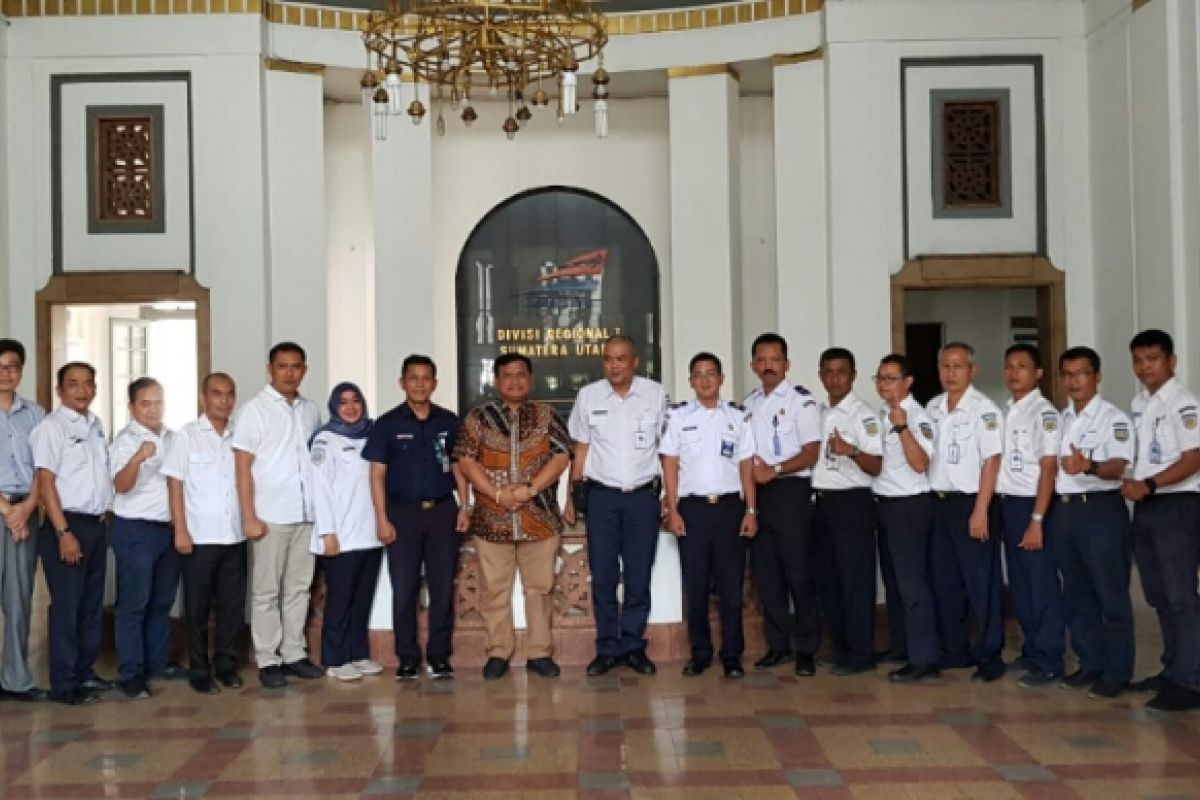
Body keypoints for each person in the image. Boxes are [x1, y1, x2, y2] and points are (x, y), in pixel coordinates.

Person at [453, 353, 571, 680]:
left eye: (521, 375)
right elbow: (465, 460)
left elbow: (561, 457)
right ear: (497, 380)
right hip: (491, 520)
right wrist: (498, 494)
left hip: (540, 519)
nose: (515, 381)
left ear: (530, 380)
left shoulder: (547, 415)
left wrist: (530, 490)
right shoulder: (478, 418)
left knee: (540, 589)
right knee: (494, 590)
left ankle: (539, 653)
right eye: (507, 375)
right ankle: (498, 652)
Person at [565, 334, 666, 677]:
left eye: (621, 358)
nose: (615, 365)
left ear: (635, 361)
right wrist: (571, 494)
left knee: (639, 575)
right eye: (608, 359)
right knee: (604, 576)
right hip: (602, 498)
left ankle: (633, 646)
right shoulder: (588, 396)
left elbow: (667, 450)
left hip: (642, 497)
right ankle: (607, 647)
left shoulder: (655, 395)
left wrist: (670, 496)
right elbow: (580, 447)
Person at [366, 356, 468, 681]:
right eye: (414, 378)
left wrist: (464, 506)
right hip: (402, 515)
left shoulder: (448, 422)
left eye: (426, 378)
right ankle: (407, 657)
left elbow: (458, 466)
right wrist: (381, 519)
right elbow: (377, 474)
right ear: (402, 383)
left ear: (435, 383)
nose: (420, 384)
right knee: (405, 587)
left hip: (442, 512)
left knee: (441, 588)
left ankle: (439, 656)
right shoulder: (387, 424)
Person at [660, 352, 757, 679]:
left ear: (721, 379)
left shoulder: (738, 417)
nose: (705, 380)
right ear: (691, 382)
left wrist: (751, 510)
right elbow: (669, 465)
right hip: (693, 510)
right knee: (696, 585)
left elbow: (746, 466)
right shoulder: (678, 417)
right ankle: (700, 653)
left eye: (711, 374)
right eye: (698, 375)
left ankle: (732, 655)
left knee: (731, 587)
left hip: (730, 508)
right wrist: (672, 511)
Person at [232, 342, 323, 688]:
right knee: (267, 590)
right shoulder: (253, 411)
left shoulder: (309, 410)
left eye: (296, 366)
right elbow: (242, 468)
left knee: (299, 588)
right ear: (270, 369)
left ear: (304, 370)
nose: (289, 373)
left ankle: (294, 653)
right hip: (270, 515)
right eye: (282, 366)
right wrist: (249, 515)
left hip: (305, 515)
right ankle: (268, 658)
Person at [1121, 329, 1200, 712]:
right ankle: (1173, 670)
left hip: (1177, 503)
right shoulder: (1141, 402)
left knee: (1181, 595)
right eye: (1138, 360)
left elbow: (1193, 458)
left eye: (1152, 359)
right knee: (1158, 594)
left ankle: (1191, 680)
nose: (1144, 367)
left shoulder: (1182, 403)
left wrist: (1150, 483)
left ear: (1171, 361)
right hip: (1149, 504)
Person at [1050, 347, 1134, 700]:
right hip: (1066, 511)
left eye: (1081, 373)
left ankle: (1117, 671)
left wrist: (1089, 467)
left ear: (1097, 377)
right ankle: (1090, 663)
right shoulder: (1063, 418)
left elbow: (1119, 466)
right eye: (1067, 374)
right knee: (1077, 593)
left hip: (1100, 510)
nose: (1074, 381)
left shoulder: (1113, 418)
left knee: (1109, 592)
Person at [31, 362, 113, 705]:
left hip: (96, 525)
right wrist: (63, 531)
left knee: (90, 606)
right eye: (73, 384)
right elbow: (46, 483)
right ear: (59, 390)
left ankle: (84, 673)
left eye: (88, 384)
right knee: (67, 607)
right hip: (66, 526)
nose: (82, 390)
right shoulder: (51, 427)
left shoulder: (95, 425)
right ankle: (64, 684)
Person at [162, 372, 247, 695]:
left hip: (235, 535)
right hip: (198, 536)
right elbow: (175, 483)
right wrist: (180, 529)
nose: (223, 400)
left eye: (229, 394)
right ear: (203, 397)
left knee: (232, 605)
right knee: (197, 608)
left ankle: (226, 665)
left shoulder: (241, 435)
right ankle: (199, 669)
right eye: (216, 394)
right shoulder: (187, 436)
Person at [926, 342, 1006, 682]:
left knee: (980, 583)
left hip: (971, 503)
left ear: (972, 370)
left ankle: (989, 655)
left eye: (958, 366)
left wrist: (981, 509)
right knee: (945, 582)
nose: (950, 373)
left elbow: (992, 460)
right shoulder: (932, 407)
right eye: (945, 366)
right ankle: (954, 650)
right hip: (938, 504)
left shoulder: (983, 410)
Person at [743, 333, 821, 677]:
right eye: (761, 360)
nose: (768, 366)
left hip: (791, 492)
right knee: (767, 573)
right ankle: (778, 646)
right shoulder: (748, 403)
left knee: (798, 573)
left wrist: (773, 470)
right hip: (759, 495)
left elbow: (811, 452)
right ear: (753, 365)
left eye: (774, 360)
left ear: (786, 364)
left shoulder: (802, 402)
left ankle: (807, 649)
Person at [995, 344, 1065, 689]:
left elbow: (1049, 467)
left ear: (1038, 373)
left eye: (1022, 366)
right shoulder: (1008, 409)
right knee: (1020, 583)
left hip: (1033, 505)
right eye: (1009, 366)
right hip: (1008, 503)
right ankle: (1033, 649)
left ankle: (1050, 659)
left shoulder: (1044, 412)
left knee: (1041, 584)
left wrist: (1037, 519)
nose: (1013, 372)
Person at [812, 348, 883, 675]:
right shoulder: (820, 411)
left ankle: (860, 653)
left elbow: (876, 465)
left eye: (841, 372)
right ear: (821, 375)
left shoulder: (863, 415)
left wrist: (851, 450)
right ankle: (841, 648)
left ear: (853, 375)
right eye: (828, 372)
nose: (834, 378)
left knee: (855, 580)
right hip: (822, 502)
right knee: (830, 580)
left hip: (851, 504)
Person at [109, 377, 181, 699]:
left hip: (166, 530)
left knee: (161, 601)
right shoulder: (124, 441)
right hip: (134, 529)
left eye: (158, 402)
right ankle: (131, 674)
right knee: (133, 604)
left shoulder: (173, 437)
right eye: (145, 403)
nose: (153, 409)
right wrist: (138, 457)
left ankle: (158, 663)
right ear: (132, 407)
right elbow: (120, 486)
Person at [872, 354, 940, 684]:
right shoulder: (882, 415)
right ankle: (902, 645)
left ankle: (923, 658)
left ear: (908, 382)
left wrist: (902, 426)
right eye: (880, 378)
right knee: (895, 583)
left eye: (891, 378)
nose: (884, 385)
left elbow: (920, 463)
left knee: (913, 585)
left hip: (909, 506)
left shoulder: (916, 415)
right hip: (885, 504)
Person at [309, 382, 384, 682]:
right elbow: (320, 490)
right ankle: (334, 658)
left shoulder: (373, 434)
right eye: (344, 402)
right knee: (340, 600)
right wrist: (327, 532)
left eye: (356, 401)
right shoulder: (325, 441)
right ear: (334, 407)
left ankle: (357, 654)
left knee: (362, 598)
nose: (351, 407)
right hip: (341, 536)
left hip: (370, 533)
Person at [0, 339, 47, 702]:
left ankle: (15, 681)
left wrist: (27, 507)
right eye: (1, 366)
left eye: (14, 366)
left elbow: (44, 467)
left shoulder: (37, 414)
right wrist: (6, 510)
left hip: (26, 511)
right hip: (4, 509)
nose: (7, 373)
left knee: (20, 599)